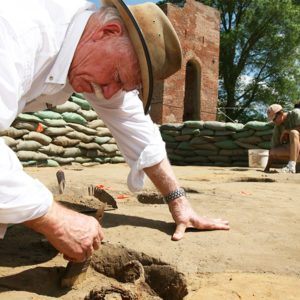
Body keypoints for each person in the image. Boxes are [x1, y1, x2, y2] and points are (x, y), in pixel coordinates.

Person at [0, 0, 230, 263]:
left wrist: (178, 201)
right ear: (108, 31)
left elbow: (139, 131)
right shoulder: (18, 31)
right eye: (118, 78)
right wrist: (54, 218)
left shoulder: (94, 54)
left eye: (122, 87)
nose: (108, 93)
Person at [264, 104, 300, 173]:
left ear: (281, 113)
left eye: (274, 118)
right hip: (295, 152)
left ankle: (291, 166)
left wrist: (286, 131)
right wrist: (267, 168)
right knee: (273, 152)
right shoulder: (278, 127)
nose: (274, 121)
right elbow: (273, 149)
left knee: (293, 133)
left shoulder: (296, 113)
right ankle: (295, 164)